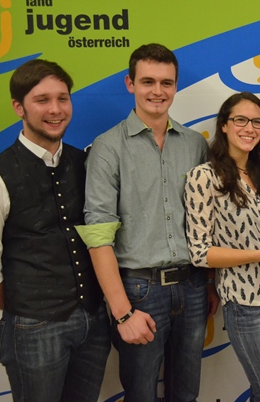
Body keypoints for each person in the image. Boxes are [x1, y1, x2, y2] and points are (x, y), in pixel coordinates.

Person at [76, 43, 218, 402]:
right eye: (148, 82)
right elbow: (98, 236)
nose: (158, 91)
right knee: (140, 394)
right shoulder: (108, 148)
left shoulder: (194, 145)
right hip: (139, 292)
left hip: (193, 286)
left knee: (186, 394)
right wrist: (123, 314)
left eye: (166, 82)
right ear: (130, 84)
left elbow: (206, 222)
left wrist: (210, 283)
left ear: (176, 86)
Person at [0, 59, 110, 402]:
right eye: (42, 100)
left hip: (93, 324)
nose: (56, 109)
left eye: (63, 98)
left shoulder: (86, 164)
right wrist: (32, 310)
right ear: (19, 107)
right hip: (34, 331)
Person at [185, 92, 260, 401]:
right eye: (241, 120)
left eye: (257, 122)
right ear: (223, 125)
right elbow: (200, 253)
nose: (250, 128)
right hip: (247, 303)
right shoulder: (204, 177)